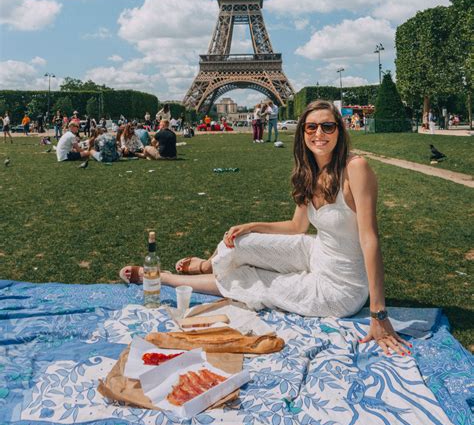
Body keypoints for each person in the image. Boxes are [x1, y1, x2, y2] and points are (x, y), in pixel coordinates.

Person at [121, 100, 411, 356]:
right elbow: (298, 226)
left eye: (327, 126)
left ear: (339, 130)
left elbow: (370, 240)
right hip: (315, 251)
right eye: (311, 127)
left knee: (253, 281)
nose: (319, 134)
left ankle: (166, 277)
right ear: (302, 133)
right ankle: (209, 264)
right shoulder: (310, 171)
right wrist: (252, 225)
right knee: (240, 242)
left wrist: (378, 313)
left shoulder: (356, 168)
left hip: (340, 286)